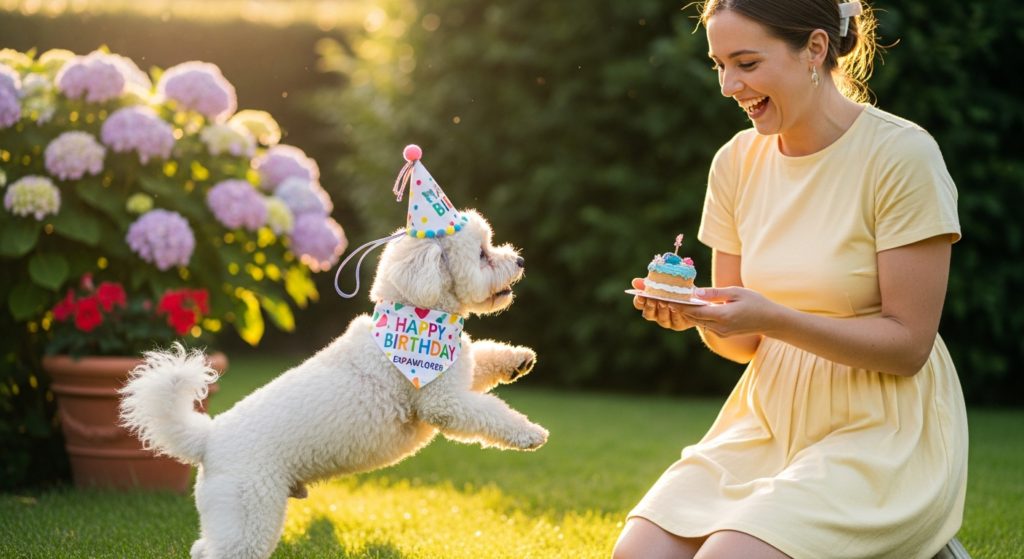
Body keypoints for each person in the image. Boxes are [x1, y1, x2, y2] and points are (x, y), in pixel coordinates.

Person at [613, 1, 968, 558]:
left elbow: (908, 346)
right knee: (639, 553)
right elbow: (743, 343)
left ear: (817, 49)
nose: (729, 85)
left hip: (881, 427)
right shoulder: (734, 162)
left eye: (747, 63)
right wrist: (697, 317)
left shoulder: (901, 155)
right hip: (767, 419)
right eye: (719, 65)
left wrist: (773, 317)